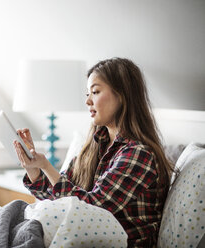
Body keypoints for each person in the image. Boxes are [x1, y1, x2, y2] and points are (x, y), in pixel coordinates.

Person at [13, 57, 175, 247]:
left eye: (95, 92)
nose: (87, 100)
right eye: (87, 93)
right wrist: (33, 167)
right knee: (12, 216)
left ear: (122, 95)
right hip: (81, 238)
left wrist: (46, 166)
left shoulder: (138, 155)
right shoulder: (93, 148)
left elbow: (93, 208)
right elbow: (57, 198)